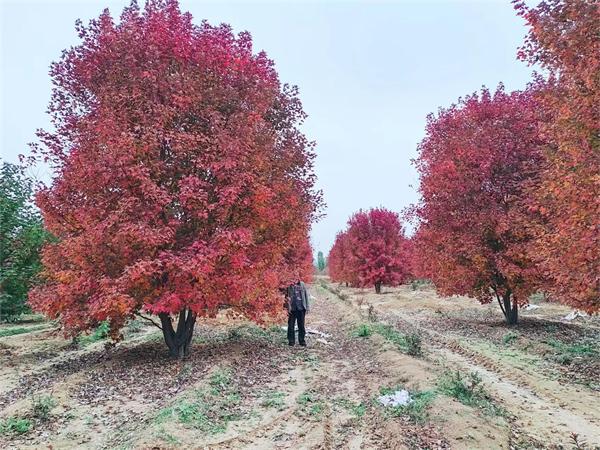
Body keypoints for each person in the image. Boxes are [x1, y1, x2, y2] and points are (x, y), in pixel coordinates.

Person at [285, 280, 310, 346]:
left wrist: (307, 307)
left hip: (301, 308)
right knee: (291, 326)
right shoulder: (289, 285)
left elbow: (306, 296)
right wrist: (286, 308)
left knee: (301, 326)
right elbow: (286, 296)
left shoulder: (302, 284)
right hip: (292, 309)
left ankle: (302, 341)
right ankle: (291, 341)